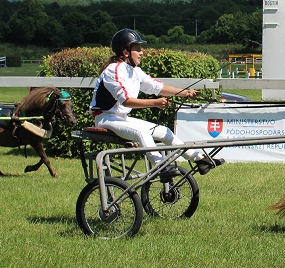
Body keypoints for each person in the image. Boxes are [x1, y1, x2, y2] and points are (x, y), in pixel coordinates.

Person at [90, 28, 224, 177]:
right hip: (105, 118)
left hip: (121, 118)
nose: (142, 52)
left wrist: (185, 93)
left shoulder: (135, 71)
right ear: (126, 52)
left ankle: (199, 159)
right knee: (142, 132)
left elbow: (157, 87)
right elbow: (126, 101)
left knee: (164, 131)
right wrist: (155, 103)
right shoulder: (113, 70)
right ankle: (161, 167)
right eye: (138, 49)